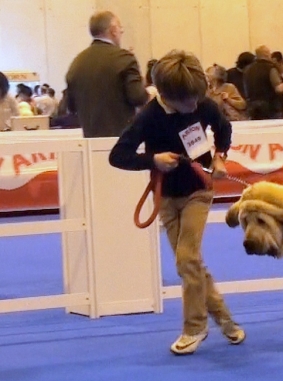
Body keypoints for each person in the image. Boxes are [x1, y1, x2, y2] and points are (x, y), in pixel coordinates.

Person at [108, 50, 245, 355]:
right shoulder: (147, 117)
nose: (195, 106)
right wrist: (152, 160)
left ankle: (194, 328)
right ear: (167, 96)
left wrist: (220, 157)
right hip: (167, 197)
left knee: (186, 259)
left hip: (199, 189)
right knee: (190, 263)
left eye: (199, 98)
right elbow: (118, 155)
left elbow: (224, 128)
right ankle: (225, 319)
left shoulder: (204, 104)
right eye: (188, 102)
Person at [66, 11, 147, 137]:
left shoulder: (77, 62)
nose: (122, 32)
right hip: (121, 141)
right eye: (120, 28)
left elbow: (71, 106)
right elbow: (138, 97)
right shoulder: (125, 58)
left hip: (90, 143)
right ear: (113, 30)